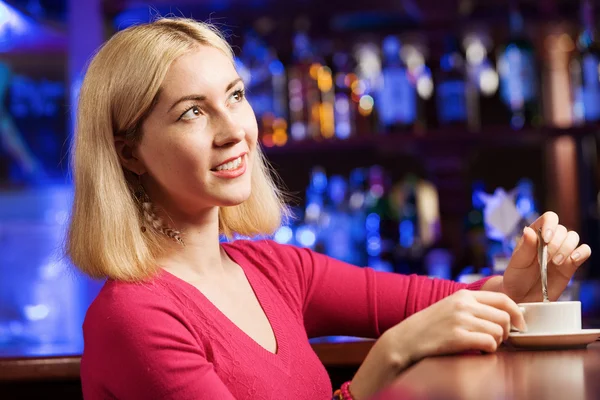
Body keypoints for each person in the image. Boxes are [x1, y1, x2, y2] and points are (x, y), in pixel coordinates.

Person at [67, 18, 591, 400]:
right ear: (128, 152)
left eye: (235, 96)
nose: (234, 131)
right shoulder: (134, 318)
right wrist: (386, 360)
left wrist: (520, 282)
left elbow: (441, 303)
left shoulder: (275, 268)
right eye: (192, 113)